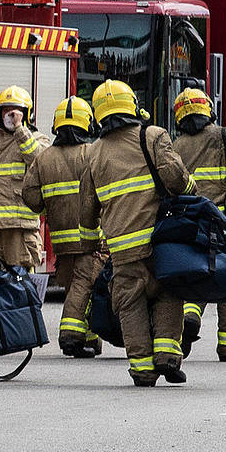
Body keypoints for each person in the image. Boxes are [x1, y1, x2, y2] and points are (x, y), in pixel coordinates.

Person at [89, 80, 196, 387]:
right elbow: (176, 177)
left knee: (130, 304)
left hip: (123, 251)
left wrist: (89, 242)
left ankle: (142, 369)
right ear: (133, 105)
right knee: (169, 291)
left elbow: (87, 208)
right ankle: (167, 356)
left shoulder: (94, 152)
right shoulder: (152, 135)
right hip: (160, 241)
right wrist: (191, 190)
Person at [170, 87, 226, 362]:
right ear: (207, 109)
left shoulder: (176, 146)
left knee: (196, 273)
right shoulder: (222, 135)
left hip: (189, 223)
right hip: (222, 224)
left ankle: (189, 317)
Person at [20, 97, 106, 358]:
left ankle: (89, 337)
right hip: (91, 237)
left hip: (61, 239)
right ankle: (69, 335)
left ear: (57, 125)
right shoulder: (92, 153)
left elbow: (31, 198)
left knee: (74, 287)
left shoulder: (44, 158)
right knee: (84, 286)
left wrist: (53, 208)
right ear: (87, 124)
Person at [0, 86, 47, 271]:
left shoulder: (37, 139)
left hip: (20, 228)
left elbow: (40, 164)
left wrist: (20, 130)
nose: (10, 116)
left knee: (19, 281)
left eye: (16, 112)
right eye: (6, 111)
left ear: (26, 114)